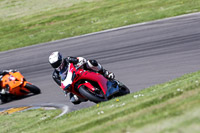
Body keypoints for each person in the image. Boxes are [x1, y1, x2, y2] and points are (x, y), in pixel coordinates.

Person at [48, 51, 115, 104]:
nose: (56, 65)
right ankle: (89, 95)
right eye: (54, 64)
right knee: (73, 100)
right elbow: (61, 85)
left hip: (80, 73)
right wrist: (65, 90)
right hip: (72, 84)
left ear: (61, 59)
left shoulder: (68, 60)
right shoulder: (55, 75)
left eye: (57, 63)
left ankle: (105, 73)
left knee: (91, 63)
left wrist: (79, 62)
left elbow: (79, 59)